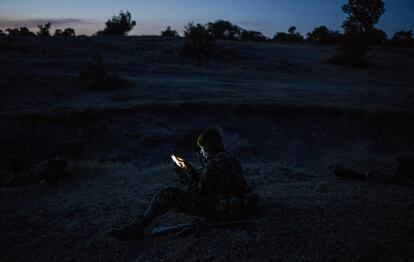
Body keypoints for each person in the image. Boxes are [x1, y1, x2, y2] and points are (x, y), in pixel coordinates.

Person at [110, 128, 259, 241]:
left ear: (208, 148)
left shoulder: (213, 165)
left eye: (202, 149)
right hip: (233, 203)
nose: (200, 152)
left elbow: (200, 194)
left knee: (168, 193)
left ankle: (138, 228)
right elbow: (213, 184)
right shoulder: (231, 159)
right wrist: (192, 171)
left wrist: (183, 176)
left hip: (217, 208)